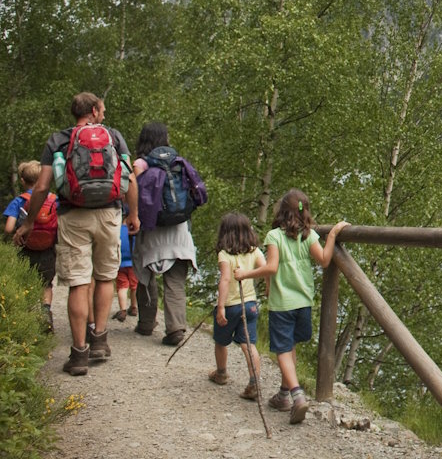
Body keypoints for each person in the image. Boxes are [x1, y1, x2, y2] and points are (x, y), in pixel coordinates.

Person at [15, 92, 139, 375]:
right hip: (109, 213)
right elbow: (130, 178)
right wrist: (133, 215)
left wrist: (30, 221)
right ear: (93, 111)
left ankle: (79, 353)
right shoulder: (114, 136)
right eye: (103, 110)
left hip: (72, 215)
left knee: (79, 282)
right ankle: (100, 339)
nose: (104, 115)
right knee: (106, 276)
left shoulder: (58, 139)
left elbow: (43, 186)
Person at [234, 189, 347, 424]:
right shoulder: (310, 236)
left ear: (281, 210)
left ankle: (296, 395)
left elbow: (272, 267)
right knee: (290, 346)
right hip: (304, 302)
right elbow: (325, 260)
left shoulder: (274, 236)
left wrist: (246, 273)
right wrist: (334, 233)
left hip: (282, 303)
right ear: (305, 211)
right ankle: (284, 395)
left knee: (283, 350)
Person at [130, 121, 205, 345]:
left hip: (152, 230)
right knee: (175, 282)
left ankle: (146, 323)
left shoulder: (140, 165)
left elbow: (134, 194)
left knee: (145, 278)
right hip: (180, 231)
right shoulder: (178, 163)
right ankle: (175, 329)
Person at [211, 212, 266, 401]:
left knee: (220, 341)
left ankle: (221, 373)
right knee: (248, 344)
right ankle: (254, 382)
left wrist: (220, 307)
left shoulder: (224, 254)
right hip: (250, 305)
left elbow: (225, 279)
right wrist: (266, 287)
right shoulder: (255, 251)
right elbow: (265, 270)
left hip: (231, 306)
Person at [4, 160, 58, 332]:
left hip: (25, 249)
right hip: (48, 249)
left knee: (27, 282)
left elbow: (9, 228)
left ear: (22, 181)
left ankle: (28, 319)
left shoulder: (19, 201)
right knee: (46, 284)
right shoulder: (53, 200)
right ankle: (45, 313)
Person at [113, 217, 137, 322]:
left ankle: (122, 310)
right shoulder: (133, 229)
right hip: (133, 263)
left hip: (120, 263)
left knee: (122, 286)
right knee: (134, 286)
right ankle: (134, 307)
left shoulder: (116, 229)